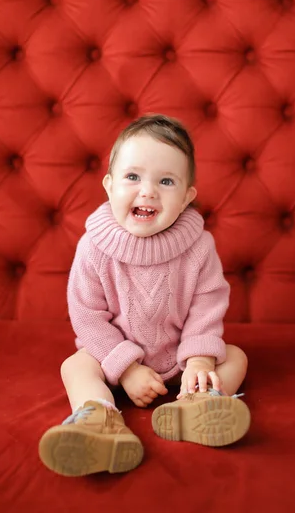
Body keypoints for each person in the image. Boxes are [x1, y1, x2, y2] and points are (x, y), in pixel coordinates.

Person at [39, 114, 250, 477]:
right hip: (115, 363)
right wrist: (127, 370)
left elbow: (208, 305)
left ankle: (197, 403)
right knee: (75, 365)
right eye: (133, 177)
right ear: (109, 185)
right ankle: (99, 420)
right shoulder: (94, 247)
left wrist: (199, 362)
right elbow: (88, 317)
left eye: (166, 181)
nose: (148, 191)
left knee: (234, 357)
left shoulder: (199, 247)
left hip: (181, 363)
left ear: (186, 198)